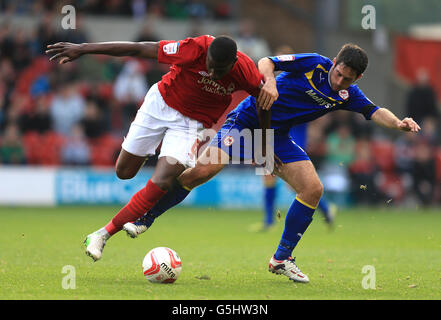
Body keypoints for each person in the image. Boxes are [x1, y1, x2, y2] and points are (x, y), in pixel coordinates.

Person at [123, 43, 421, 283]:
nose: (340, 80)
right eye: (339, 73)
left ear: (358, 79)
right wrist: (269, 84)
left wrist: (399, 123)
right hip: (245, 121)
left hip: (276, 138)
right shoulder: (313, 63)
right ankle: (145, 217)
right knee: (202, 171)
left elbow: (374, 110)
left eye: (348, 78)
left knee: (312, 189)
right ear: (333, 62)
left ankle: (281, 259)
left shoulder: (347, 94)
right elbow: (266, 61)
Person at [46, 35, 277, 261]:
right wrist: (84, 49)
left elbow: (264, 103)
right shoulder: (195, 48)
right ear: (207, 57)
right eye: (211, 67)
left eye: (221, 71)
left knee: (163, 180)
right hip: (161, 103)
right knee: (124, 172)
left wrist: (264, 144)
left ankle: (102, 234)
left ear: (233, 63)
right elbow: (139, 49)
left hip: (191, 124)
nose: (214, 75)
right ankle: (154, 151)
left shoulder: (246, 71)